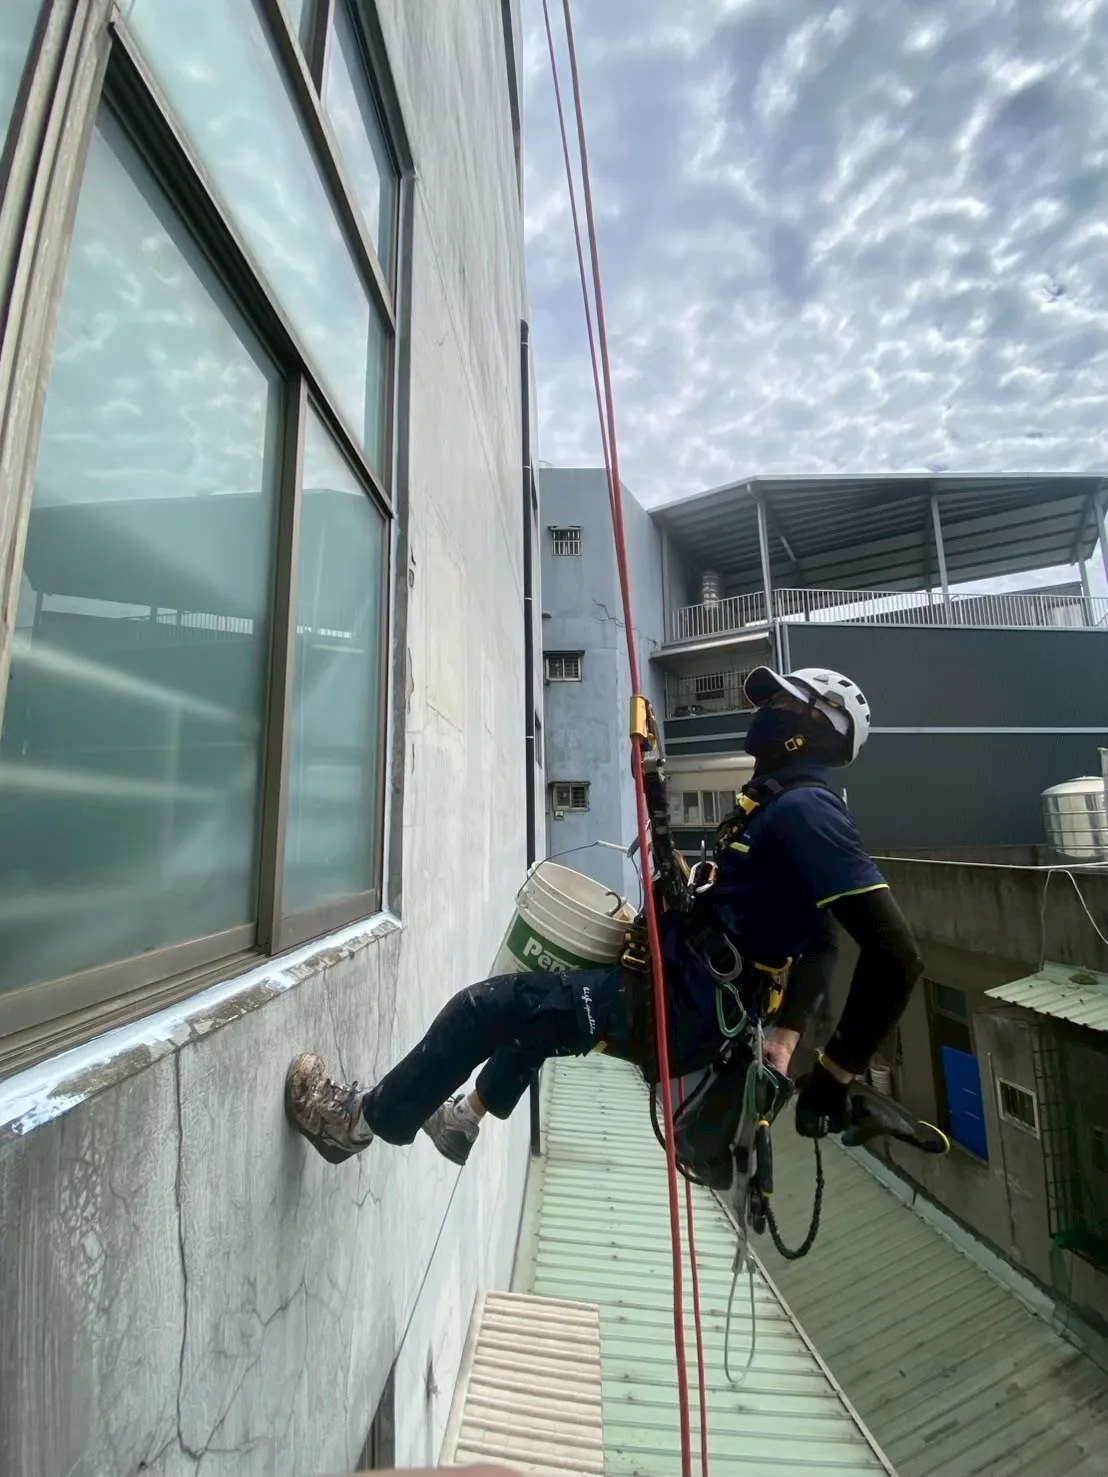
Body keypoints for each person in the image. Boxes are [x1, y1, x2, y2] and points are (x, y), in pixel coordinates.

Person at [285, 665, 923, 1167]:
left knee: (484, 1008)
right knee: (537, 1015)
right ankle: (462, 1121)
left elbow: (895, 955)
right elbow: (818, 938)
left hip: (683, 1006)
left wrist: (834, 1073)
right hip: (686, 992)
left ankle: (355, 1125)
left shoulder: (808, 811)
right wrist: (783, 1041)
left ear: (818, 725)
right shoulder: (777, 805)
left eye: (779, 703)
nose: (762, 712)